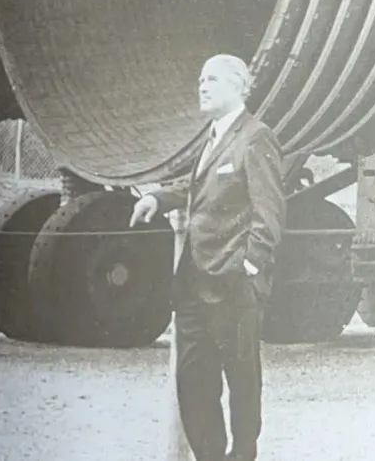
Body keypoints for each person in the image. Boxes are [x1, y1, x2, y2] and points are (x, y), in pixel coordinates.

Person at [131, 54, 285, 461]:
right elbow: (199, 186)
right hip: (194, 284)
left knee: (241, 380)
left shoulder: (256, 137)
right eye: (201, 79)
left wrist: (247, 267)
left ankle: (244, 455)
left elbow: (269, 213)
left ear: (238, 85)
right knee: (194, 382)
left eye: (212, 79)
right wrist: (157, 197)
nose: (202, 86)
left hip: (234, 284)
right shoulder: (213, 136)